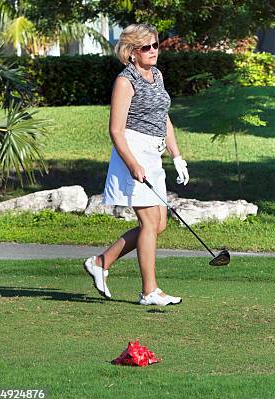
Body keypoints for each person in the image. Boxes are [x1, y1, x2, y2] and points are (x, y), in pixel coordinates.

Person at [83, 23, 189, 306]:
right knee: (149, 221)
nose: (153, 51)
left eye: (156, 45)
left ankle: (101, 261)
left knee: (159, 224)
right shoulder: (125, 81)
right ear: (131, 52)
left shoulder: (156, 75)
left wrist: (177, 155)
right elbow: (116, 130)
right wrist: (131, 164)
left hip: (153, 153)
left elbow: (163, 117)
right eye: (146, 47)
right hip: (132, 152)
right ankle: (149, 291)